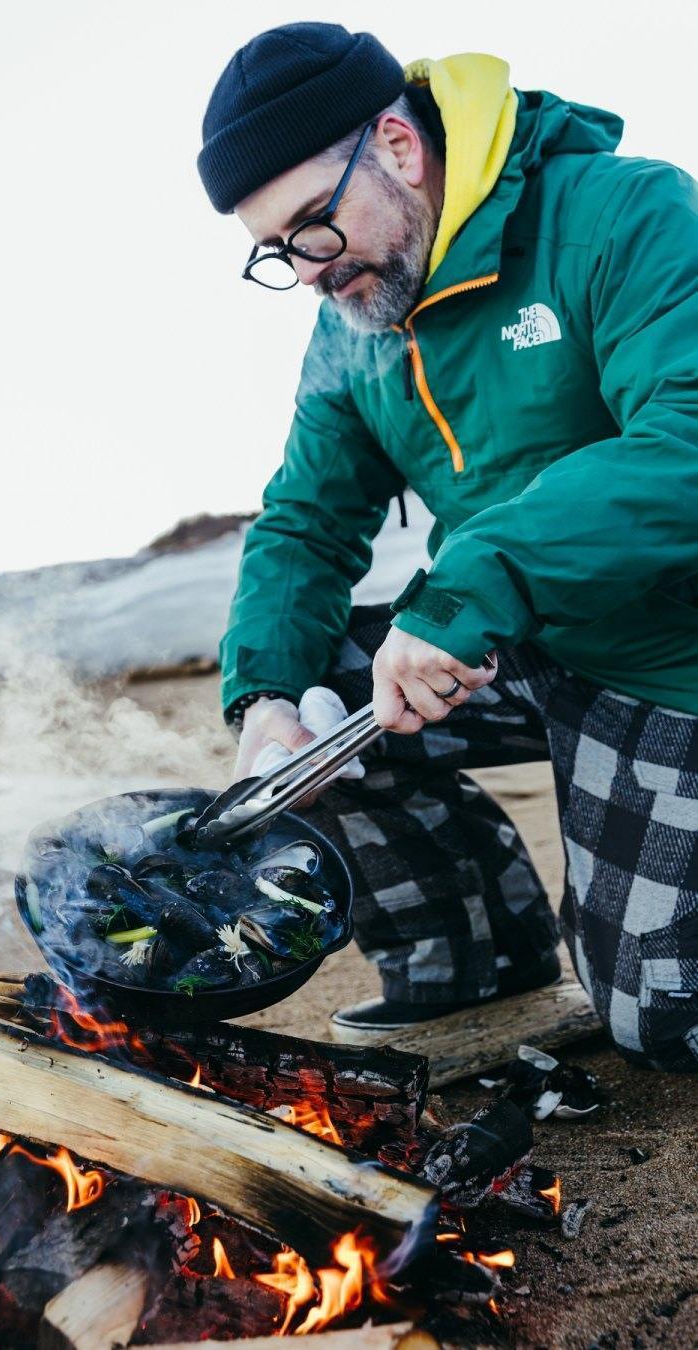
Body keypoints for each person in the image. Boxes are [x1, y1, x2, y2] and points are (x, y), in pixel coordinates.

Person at [196, 22, 698, 1071]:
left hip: (667, 657)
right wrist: (266, 702)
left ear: (394, 144)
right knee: (319, 693)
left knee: (658, 1019)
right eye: (275, 253)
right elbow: (307, 520)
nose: (306, 274)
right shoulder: (358, 324)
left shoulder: (624, 213)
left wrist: (472, 585)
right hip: (524, 637)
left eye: (311, 231)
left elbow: (684, 439)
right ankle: (471, 960)